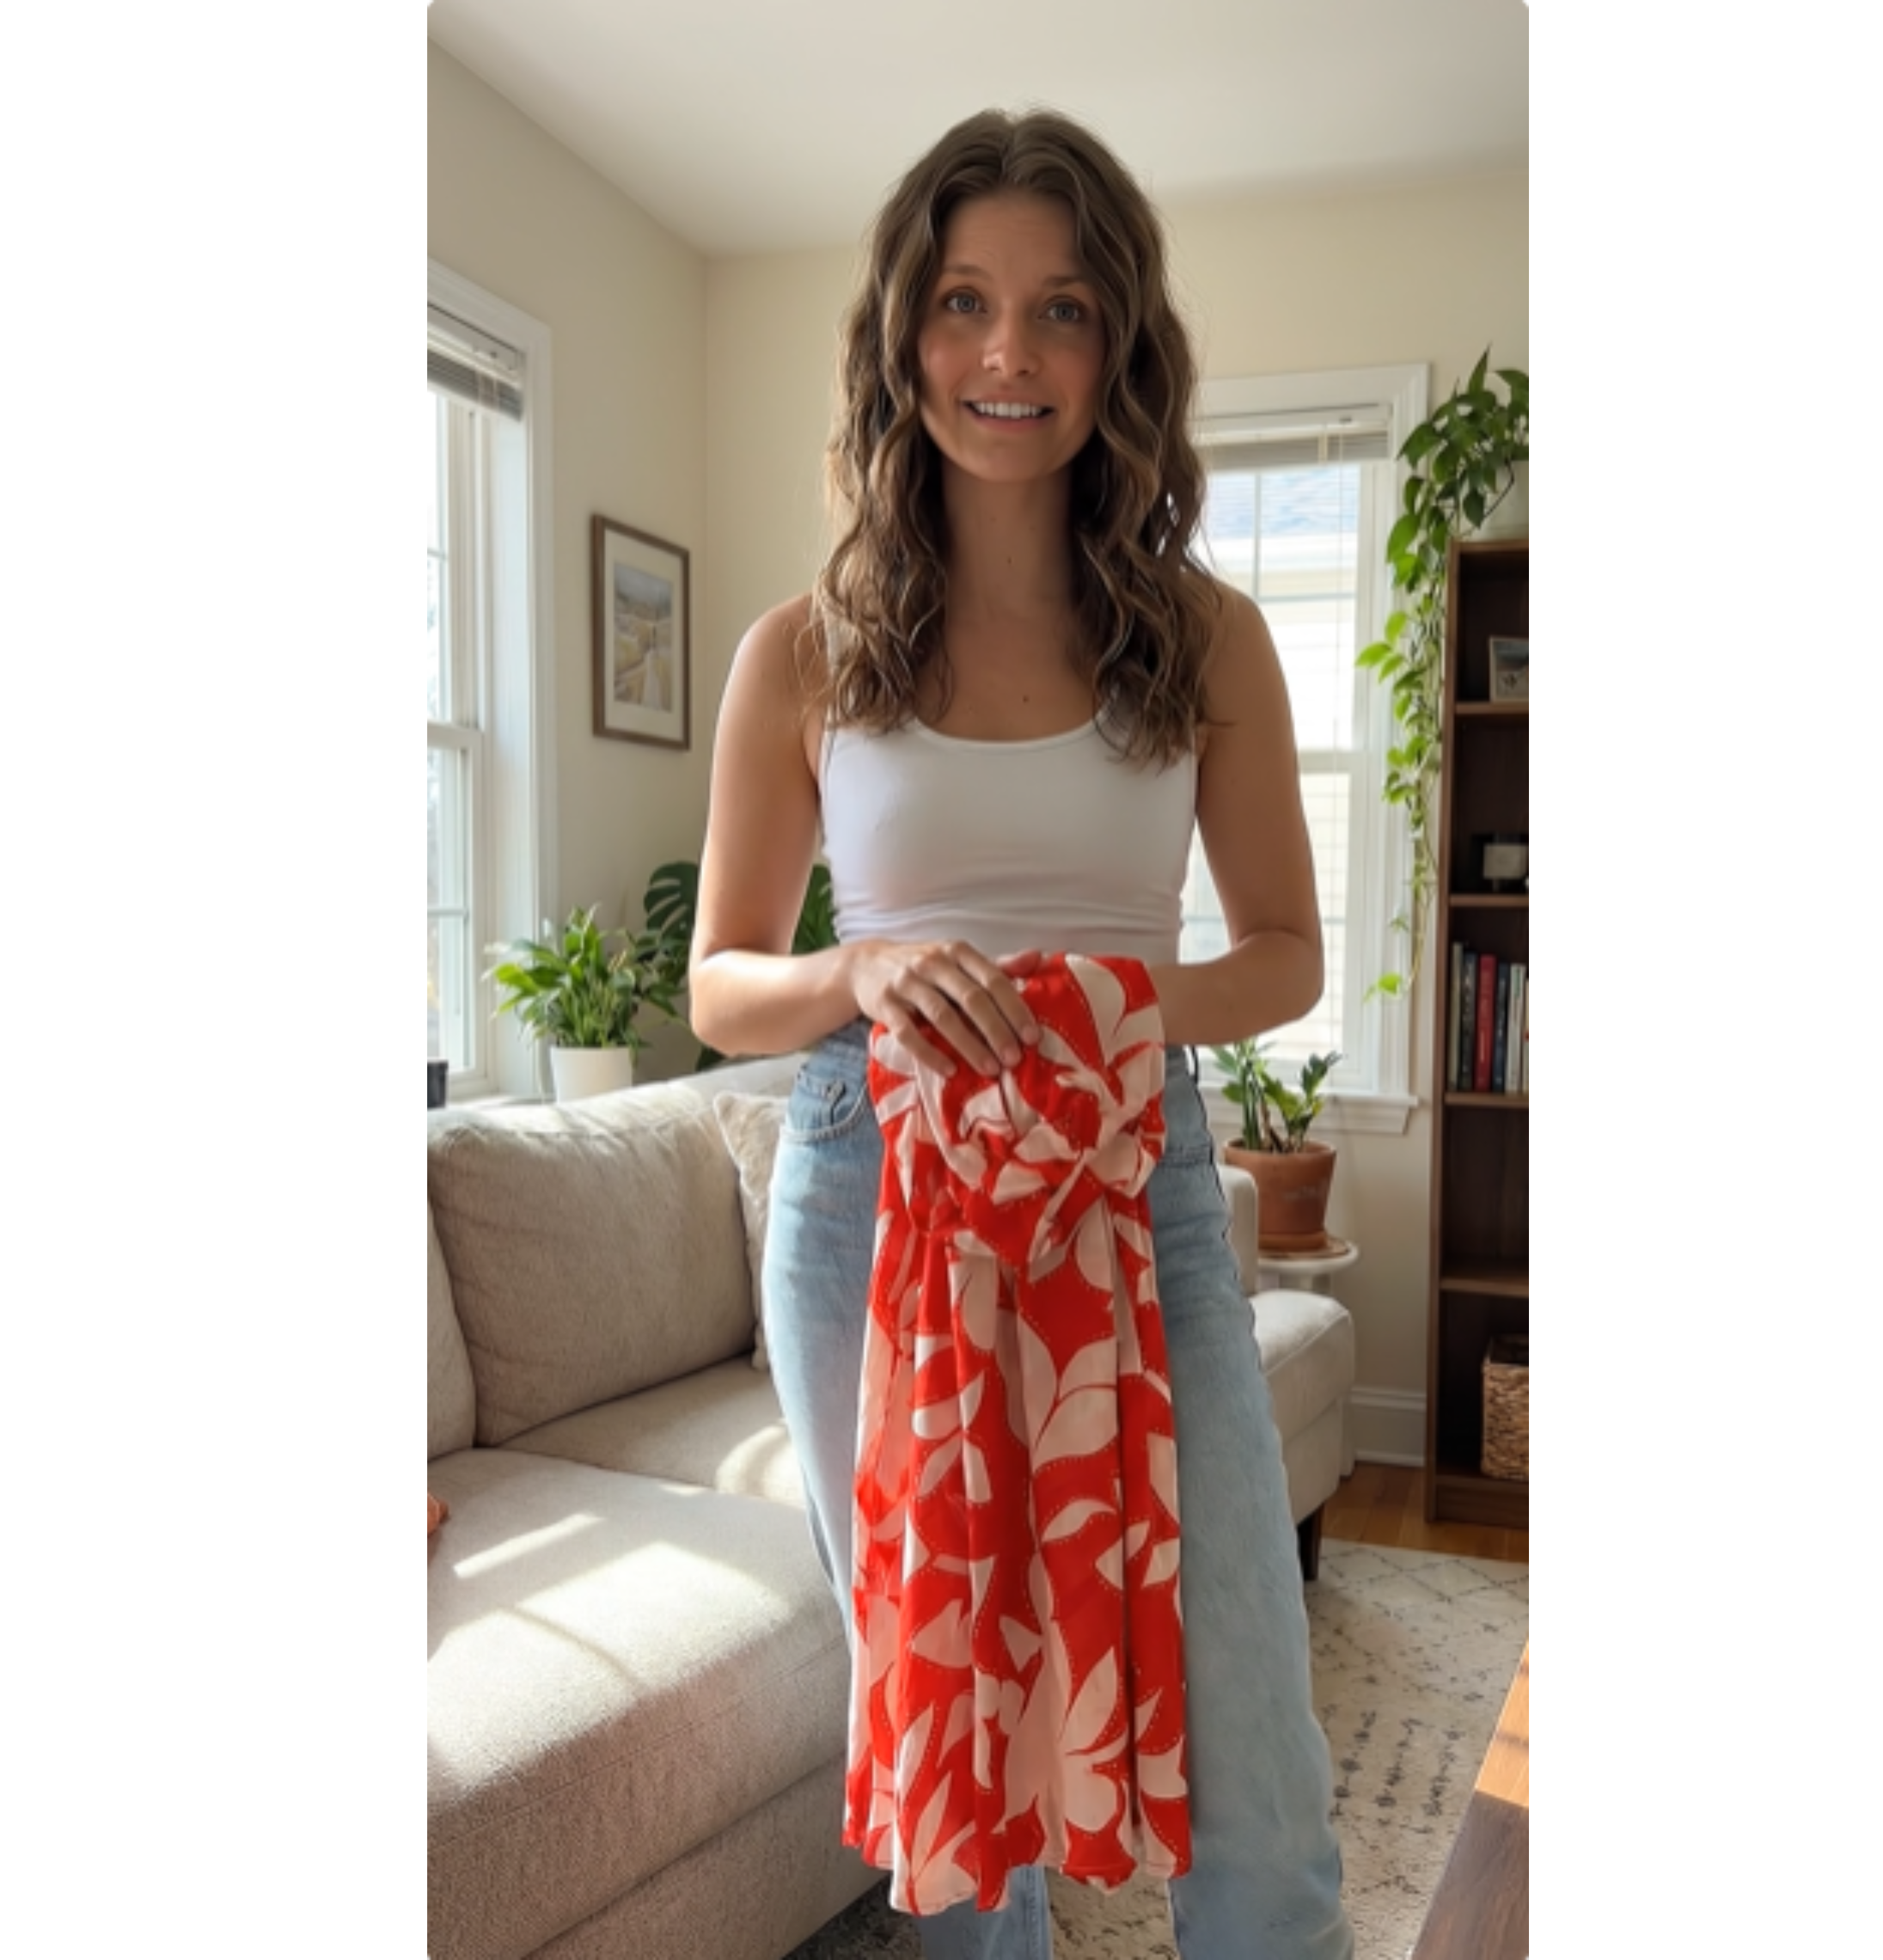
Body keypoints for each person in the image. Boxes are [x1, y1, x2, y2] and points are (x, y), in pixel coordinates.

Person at [688, 107, 1353, 1960]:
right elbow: (719, 984)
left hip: (1138, 1186)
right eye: (963, 301)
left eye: (1060, 308)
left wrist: (1099, 1010)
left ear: (1116, 345)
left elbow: (1284, 955)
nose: (1007, 351)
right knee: (960, 1754)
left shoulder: (1205, 639)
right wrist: (864, 972)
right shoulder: (802, 652)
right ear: (902, 334)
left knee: (1254, 1750)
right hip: (869, 1191)